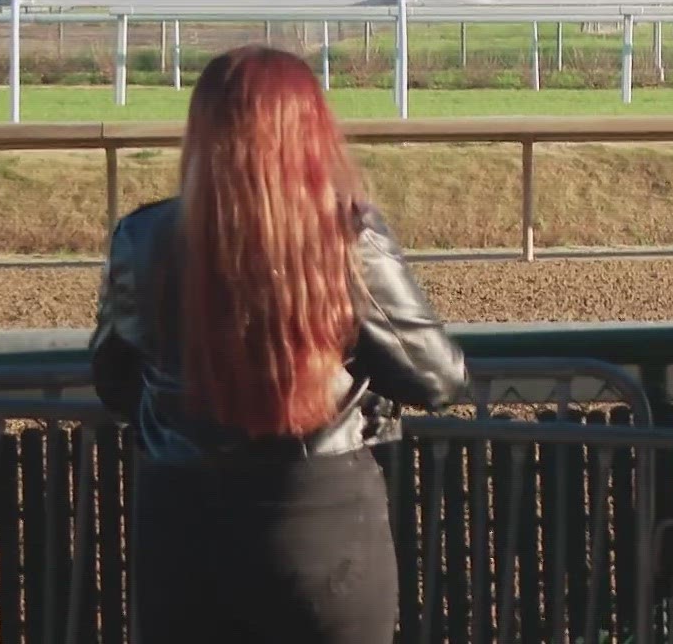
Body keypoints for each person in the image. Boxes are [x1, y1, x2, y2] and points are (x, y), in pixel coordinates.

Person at [89, 45, 470, 644]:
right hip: (323, 523)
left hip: (182, 520)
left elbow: (113, 378)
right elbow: (437, 378)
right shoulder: (348, 233)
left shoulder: (143, 237)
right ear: (312, 127)